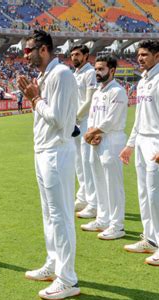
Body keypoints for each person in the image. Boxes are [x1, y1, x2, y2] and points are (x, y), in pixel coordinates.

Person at [18, 30, 79, 300]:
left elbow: (61, 122)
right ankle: (53, 264)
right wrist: (35, 99)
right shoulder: (45, 77)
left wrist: (35, 99)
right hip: (42, 151)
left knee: (61, 216)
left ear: (43, 50)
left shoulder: (62, 75)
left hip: (57, 152)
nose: (25, 54)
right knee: (48, 214)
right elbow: (44, 115)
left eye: (29, 49)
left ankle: (67, 279)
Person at [119, 40, 159, 266]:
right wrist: (130, 144)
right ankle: (151, 239)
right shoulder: (143, 81)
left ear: (157, 56)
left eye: (145, 54)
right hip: (142, 141)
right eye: (139, 54)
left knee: (158, 195)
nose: (140, 58)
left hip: (157, 142)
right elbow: (139, 117)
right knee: (144, 194)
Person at [82, 55, 128, 240]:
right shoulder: (98, 92)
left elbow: (111, 119)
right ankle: (102, 219)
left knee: (113, 184)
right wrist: (93, 134)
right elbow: (92, 117)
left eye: (101, 69)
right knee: (99, 181)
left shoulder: (117, 91)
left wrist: (94, 133)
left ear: (112, 70)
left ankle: (117, 225)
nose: (97, 73)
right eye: (96, 69)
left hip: (112, 140)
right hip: (97, 140)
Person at [69, 44, 98, 219]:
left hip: (86, 121)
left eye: (77, 54)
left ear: (86, 56)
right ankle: (83, 197)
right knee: (78, 162)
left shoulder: (90, 73)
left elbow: (90, 100)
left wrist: (76, 118)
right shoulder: (75, 74)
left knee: (88, 163)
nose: (74, 58)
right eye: (72, 55)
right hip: (75, 122)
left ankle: (93, 203)